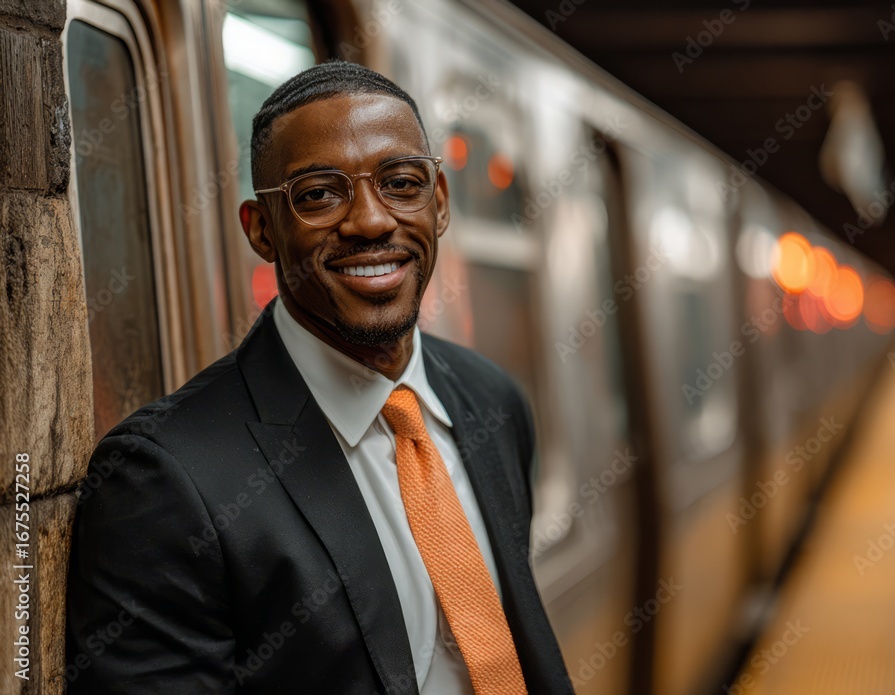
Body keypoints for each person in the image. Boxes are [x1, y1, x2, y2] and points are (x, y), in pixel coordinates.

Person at [64, 60, 574, 694]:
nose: (370, 221)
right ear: (261, 231)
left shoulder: (491, 399)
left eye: (401, 183)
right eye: (318, 195)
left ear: (438, 203)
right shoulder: (165, 480)